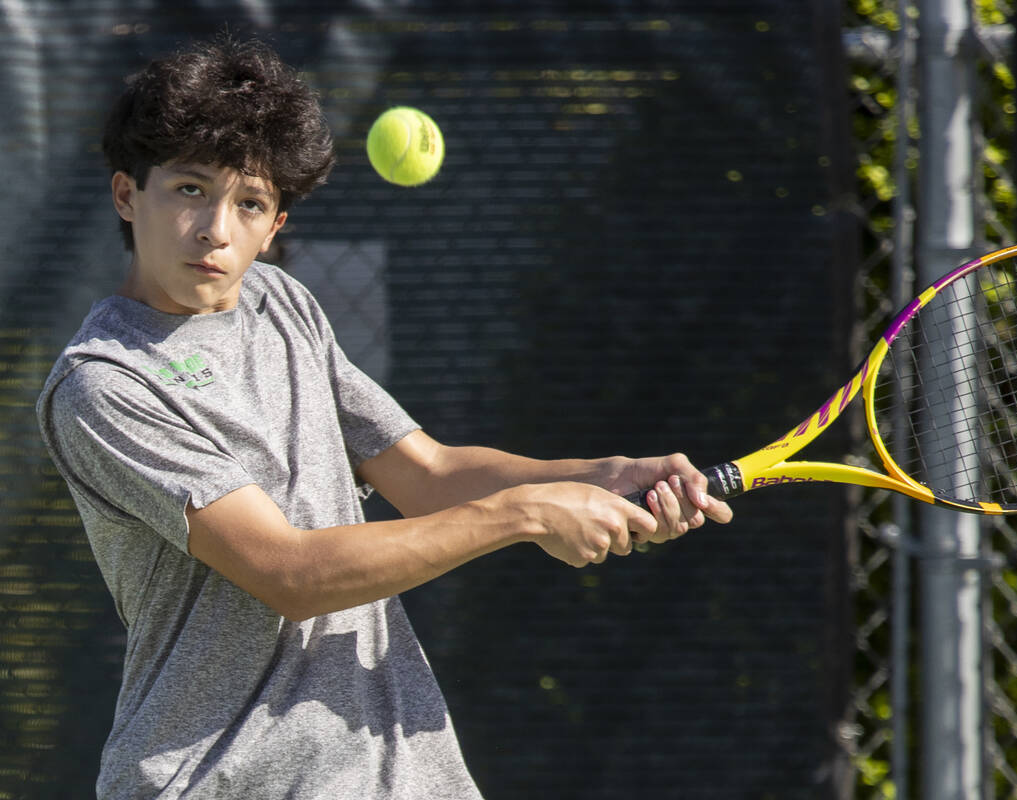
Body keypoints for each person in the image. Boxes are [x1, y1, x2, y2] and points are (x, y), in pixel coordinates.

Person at [36, 36, 732, 800]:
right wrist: (524, 513)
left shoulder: (281, 304)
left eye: (250, 203)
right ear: (128, 194)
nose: (216, 231)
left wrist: (603, 475)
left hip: (397, 771)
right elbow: (288, 573)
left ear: (275, 226)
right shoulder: (106, 385)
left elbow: (427, 475)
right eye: (190, 190)